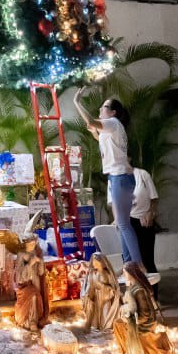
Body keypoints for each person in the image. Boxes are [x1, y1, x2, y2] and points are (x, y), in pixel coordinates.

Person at [73, 91, 142, 270]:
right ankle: (129, 263)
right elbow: (99, 136)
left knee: (124, 224)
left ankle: (137, 264)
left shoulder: (113, 123)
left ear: (113, 112)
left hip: (120, 177)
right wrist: (95, 132)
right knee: (121, 224)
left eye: (104, 107)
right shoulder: (112, 128)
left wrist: (77, 102)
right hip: (118, 177)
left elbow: (90, 121)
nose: (99, 109)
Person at [106, 163, 161, 298]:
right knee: (128, 262)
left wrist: (150, 213)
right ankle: (135, 297)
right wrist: (117, 219)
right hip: (126, 221)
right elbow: (113, 202)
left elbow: (154, 198)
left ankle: (152, 297)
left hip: (142, 222)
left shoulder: (142, 174)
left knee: (146, 260)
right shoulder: (113, 178)